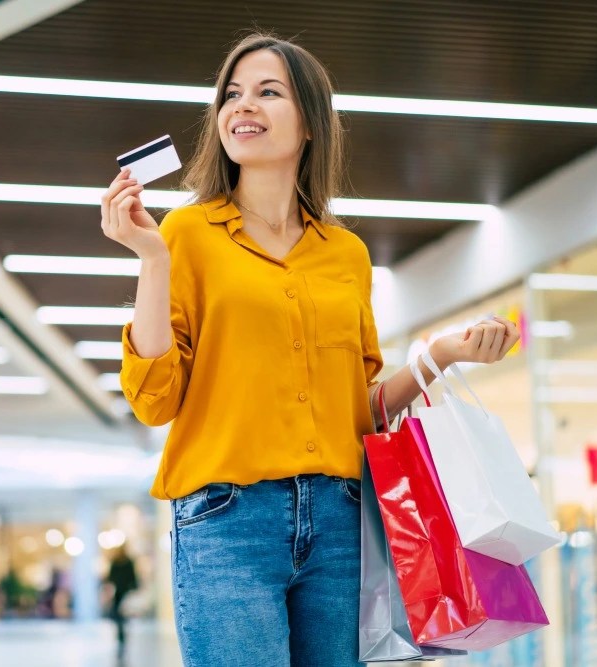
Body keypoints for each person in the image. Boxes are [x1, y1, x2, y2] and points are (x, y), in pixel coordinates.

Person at [102, 32, 520, 667]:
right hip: (227, 519)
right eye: (232, 95)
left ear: (310, 125)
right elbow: (154, 401)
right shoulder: (186, 233)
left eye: (268, 92)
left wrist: (442, 354)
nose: (243, 106)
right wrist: (151, 260)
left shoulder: (345, 254)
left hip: (341, 519)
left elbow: (361, 408)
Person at [105, 545, 138, 658]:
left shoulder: (117, 562)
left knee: (119, 616)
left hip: (119, 593)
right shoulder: (127, 561)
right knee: (121, 616)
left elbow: (110, 578)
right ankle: (122, 636)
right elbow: (133, 578)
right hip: (123, 592)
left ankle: (121, 636)